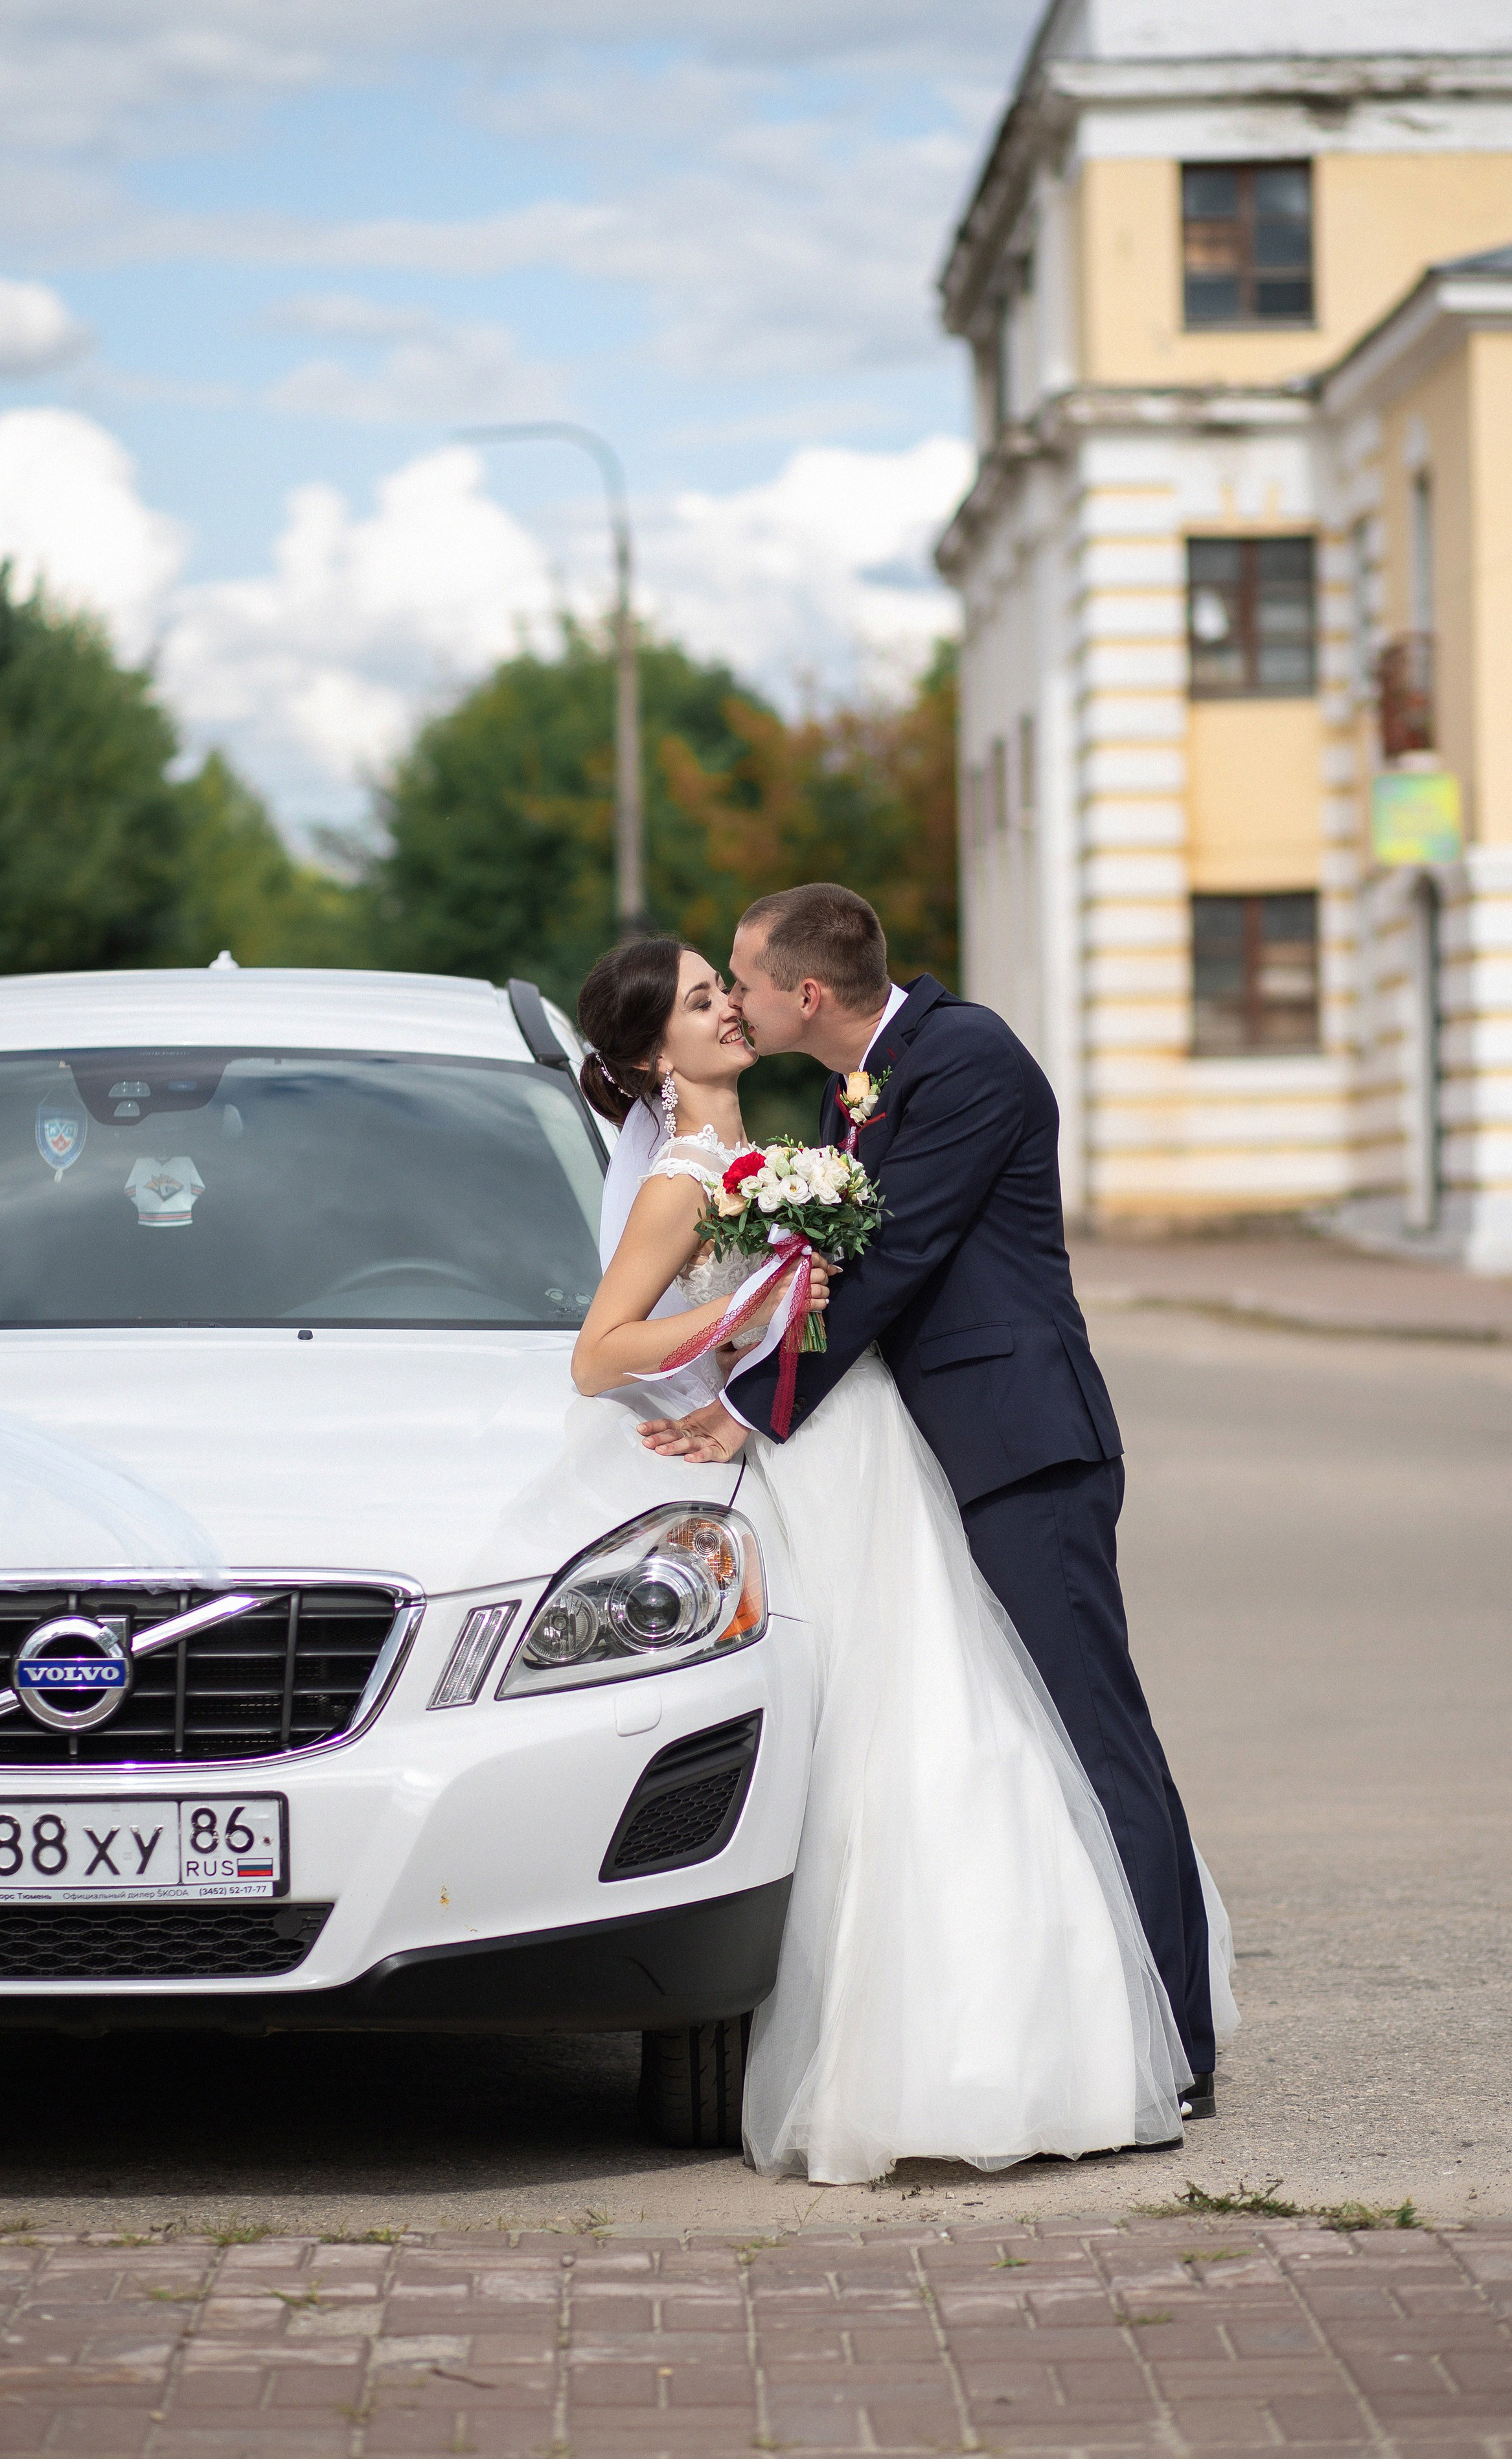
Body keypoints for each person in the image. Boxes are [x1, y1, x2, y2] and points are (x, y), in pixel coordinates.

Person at [572, 931, 1221, 2186]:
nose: (732, 1008)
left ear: (801, 991)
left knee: (1059, 1737)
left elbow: (889, 1260)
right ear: (657, 1049)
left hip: (975, 1444)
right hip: (852, 1450)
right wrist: (752, 1325)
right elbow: (619, 1344)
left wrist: (764, 1355)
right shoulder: (760, 1142)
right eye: (706, 997)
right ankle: (1012, 2025)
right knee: (900, 1737)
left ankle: (1164, 2037)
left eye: (734, 985)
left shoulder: (946, 1066)